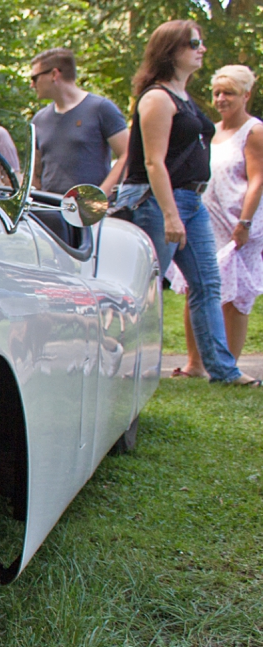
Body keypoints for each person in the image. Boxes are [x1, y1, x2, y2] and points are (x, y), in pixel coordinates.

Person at [114, 20, 257, 384]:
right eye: (193, 43)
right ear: (171, 50)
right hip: (159, 201)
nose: (201, 48)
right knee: (144, 290)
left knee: (207, 284)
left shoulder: (184, 98)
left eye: (200, 42)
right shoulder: (157, 98)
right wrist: (170, 215)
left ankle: (223, 371)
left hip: (191, 202)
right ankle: (125, 368)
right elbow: (152, 162)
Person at [169, 65, 263, 377]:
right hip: (207, 219)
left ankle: (229, 364)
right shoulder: (210, 129)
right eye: (217, 93)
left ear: (246, 95)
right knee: (197, 286)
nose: (221, 99)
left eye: (230, 93)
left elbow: (257, 180)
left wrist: (245, 222)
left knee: (234, 294)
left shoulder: (254, 131)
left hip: (240, 222)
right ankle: (196, 364)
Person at [29, 48, 130, 196]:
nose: (32, 85)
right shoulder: (39, 119)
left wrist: (100, 197)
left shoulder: (101, 109)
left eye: (34, 78)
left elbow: (127, 153)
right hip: (48, 208)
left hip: (88, 211)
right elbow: (35, 172)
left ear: (54, 74)